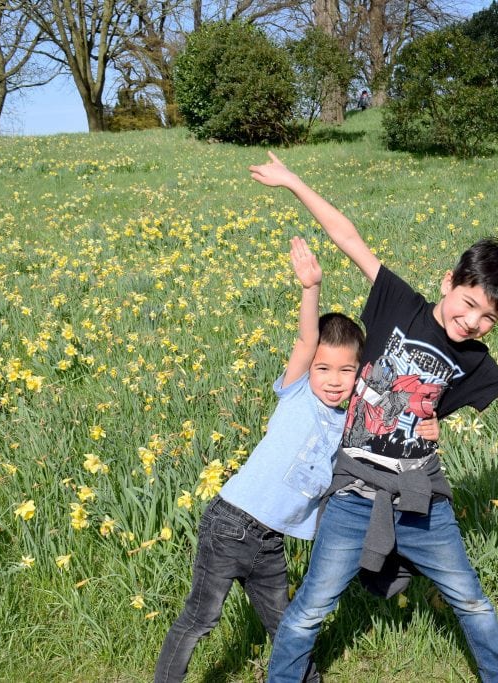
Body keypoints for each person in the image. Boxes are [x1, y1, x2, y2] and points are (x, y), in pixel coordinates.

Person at [249, 152, 498, 683]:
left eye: (488, 318)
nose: (473, 321)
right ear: (448, 280)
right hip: (353, 495)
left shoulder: (474, 359)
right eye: (468, 302)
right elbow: (348, 237)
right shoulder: (398, 303)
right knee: (311, 610)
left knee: (472, 602)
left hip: (422, 503)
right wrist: (294, 182)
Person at [154, 236, 441, 683]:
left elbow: (402, 410)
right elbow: (309, 338)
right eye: (324, 369)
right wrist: (311, 288)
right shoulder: (297, 395)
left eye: (347, 370)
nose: (333, 380)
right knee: (200, 619)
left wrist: (430, 424)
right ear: (308, 370)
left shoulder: (353, 423)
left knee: (287, 626)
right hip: (230, 524)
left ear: (359, 373)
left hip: (271, 542)